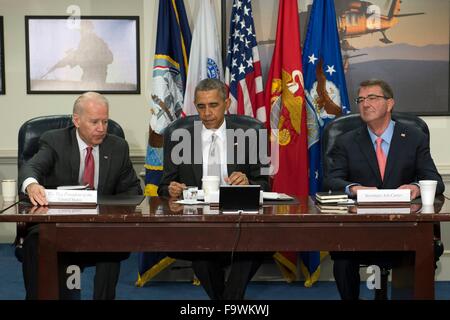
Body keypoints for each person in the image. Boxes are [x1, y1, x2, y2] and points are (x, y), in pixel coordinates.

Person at [324, 79, 445, 300]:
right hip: (359, 228)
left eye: (372, 98)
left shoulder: (414, 137)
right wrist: (353, 188)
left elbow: (435, 180)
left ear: (389, 104)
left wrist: (416, 188)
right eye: (361, 99)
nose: (365, 104)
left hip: (404, 227)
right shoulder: (346, 140)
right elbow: (331, 179)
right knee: (342, 256)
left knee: (422, 251)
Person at [18, 92, 142, 299]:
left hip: (101, 226)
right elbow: (32, 167)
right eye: (94, 122)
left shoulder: (118, 146)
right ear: (76, 120)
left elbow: (131, 191)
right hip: (57, 225)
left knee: (112, 240)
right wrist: (31, 185)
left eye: (105, 121)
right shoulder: (54, 141)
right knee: (37, 241)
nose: (102, 128)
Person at [158, 78, 269, 300]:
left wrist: (248, 182)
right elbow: (163, 185)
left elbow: (265, 184)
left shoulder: (251, 133)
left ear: (226, 104)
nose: (207, 113)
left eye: (213, 105)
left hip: (240, 222)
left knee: (251, 251)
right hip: (200, 224)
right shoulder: (181, 136)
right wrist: (171, 189)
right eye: (201, 106)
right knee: (202, 256)